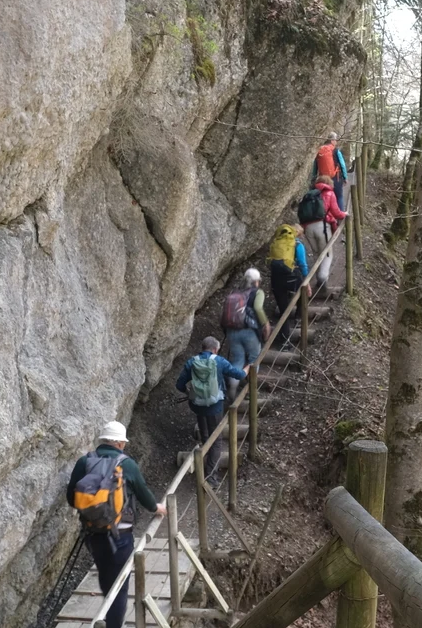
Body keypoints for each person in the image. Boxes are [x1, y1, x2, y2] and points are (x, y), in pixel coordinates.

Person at [67, 421, 166, 628]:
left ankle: (108, 615)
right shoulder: (126, 464)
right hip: (121, 535)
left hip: (93, 532)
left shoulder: (84, 462)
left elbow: (71, 498)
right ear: (120, 443)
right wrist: (156, 508)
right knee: (119, 586)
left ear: (102, 440)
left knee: (105, 577)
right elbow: (143, 493)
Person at [176, 336, 247, 481]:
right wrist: (249, 367)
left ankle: (205, 460)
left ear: (203, 347)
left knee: (205, 436)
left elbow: (179, 385)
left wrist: (189, 392)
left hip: (198, 405)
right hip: (215, 406)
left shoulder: (192, 362)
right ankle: (210, 476)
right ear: (215, 349)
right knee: (216, 440)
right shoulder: (219, 361)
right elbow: (239, 374)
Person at [221, 268, 270, 400]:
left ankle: (232, 390)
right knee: (254, 360)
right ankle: (251, 391)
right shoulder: (257, 292)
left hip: (232, 331)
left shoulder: (236, 292)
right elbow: (258, 308)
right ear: (256, 281)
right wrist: (265, 324)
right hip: (249, 331)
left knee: (238, 360)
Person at [300, 175, 348, 290]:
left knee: (317, 253)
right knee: (327, 253)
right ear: (329, 183)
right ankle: (322, 279)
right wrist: (345, 214)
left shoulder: (310, 194)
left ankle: (318, 281)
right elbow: (336, 212)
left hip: (308, 228)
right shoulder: (329, 193)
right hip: (322, 227)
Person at [267, 224, 310, 348]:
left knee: (283, 310)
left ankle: (284, 342)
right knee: (303, 293)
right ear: (298, 233)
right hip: (292, 277)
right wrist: (307, 281)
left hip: (276, 279)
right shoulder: (297, 244)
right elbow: (302, 263)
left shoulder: (276, 242)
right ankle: (299, 317)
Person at [311, 132, 348, 211]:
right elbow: (342, 165)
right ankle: (340, 215)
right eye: (335, 140)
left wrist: (314, 177)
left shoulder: (320, 150)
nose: (336, 142)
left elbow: (315, 166)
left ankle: (324, 215)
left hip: (323, 179)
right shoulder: (336, 151)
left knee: (324, 197)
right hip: (335, 177)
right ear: (331, 140)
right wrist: (345, 177)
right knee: (339, 196)